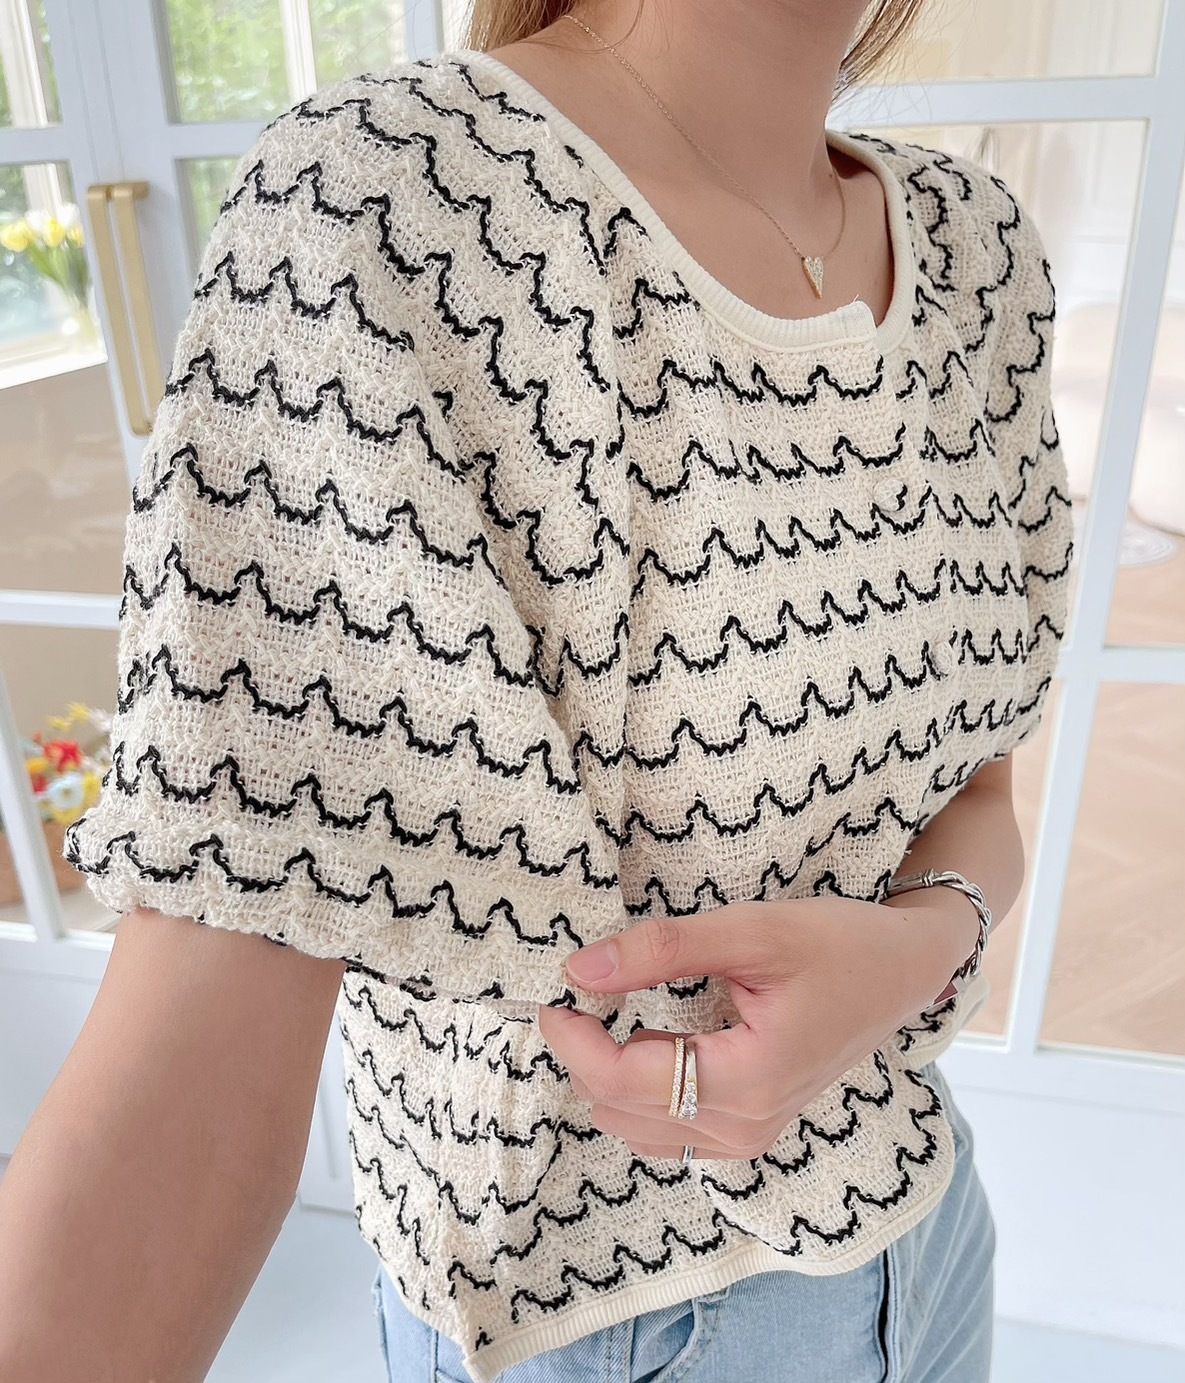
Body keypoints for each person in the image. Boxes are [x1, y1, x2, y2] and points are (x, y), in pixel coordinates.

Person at [0, 0, 1073, 1378]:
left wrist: (922, 949)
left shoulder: (976, 253)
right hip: (603, 1317)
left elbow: (977, 785)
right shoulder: (402, 208)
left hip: (922, 1228)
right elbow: (193, 1062)